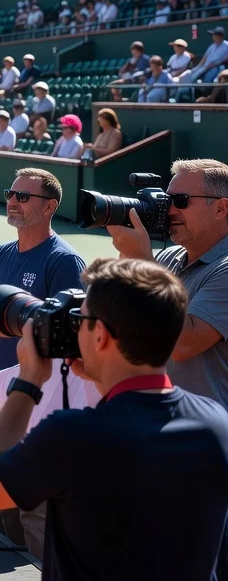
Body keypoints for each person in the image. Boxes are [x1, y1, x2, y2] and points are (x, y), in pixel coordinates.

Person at [0, 258, 228, 580]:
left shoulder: (72, 437)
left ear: (101, 336)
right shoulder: (217, 424)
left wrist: (28, 382)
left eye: (81, 319)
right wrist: (99, 375)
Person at [0, 168, 87, 557]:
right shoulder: (2, 253)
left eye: (22, 196)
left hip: (40, 398)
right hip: (1, 391)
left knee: (35, 508)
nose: (12, 202)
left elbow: (64, 334)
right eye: (10, 193)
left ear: (49, 207)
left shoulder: (65, 260)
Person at [104, 159, 228, 414]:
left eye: (181, 200)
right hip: (155, 418)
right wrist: (127, 257)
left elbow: (183, 344)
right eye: (166, 199)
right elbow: (115, 313)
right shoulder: (167, 257)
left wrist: (142, 263)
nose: (169, 209)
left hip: (204, 434)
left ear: (221, 207)